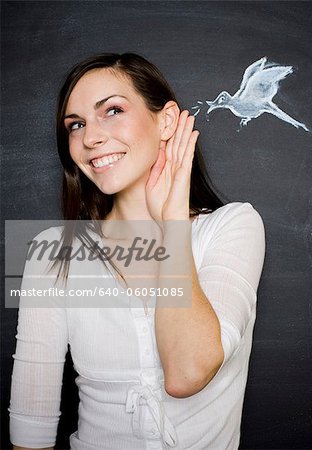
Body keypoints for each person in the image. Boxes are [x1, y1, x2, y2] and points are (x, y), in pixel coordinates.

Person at [8, 53, 265, 450]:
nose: (90, 138)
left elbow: (186, 374)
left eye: (112, 110)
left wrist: (172, 222)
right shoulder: (50, 252)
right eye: (76, 125)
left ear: (166, 121)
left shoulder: (234, 226)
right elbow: (30, 432)